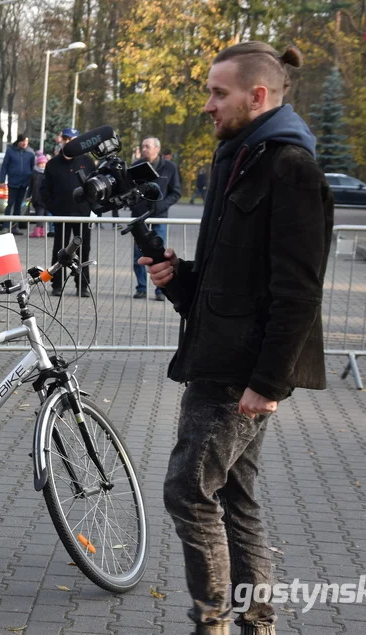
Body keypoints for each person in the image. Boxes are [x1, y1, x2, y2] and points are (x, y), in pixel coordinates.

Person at [141, 41, 334, 635]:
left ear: (258, 96)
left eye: (218, 92)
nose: (207, 104)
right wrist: (182, 282)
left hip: (241, 372)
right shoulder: (239, 155)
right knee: (235, 499)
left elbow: (298, 291)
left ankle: (215, 624)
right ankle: (256, 623)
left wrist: (268, 381)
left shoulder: (291, 168)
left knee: (188, 493)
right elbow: (235, 278)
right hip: (220, 356)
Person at [41, 128, 95, 297]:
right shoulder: (53, 164)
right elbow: (44, 191)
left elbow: (95, 185)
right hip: (62, 215)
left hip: (82, 214)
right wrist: (55, 208)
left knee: (83, 250)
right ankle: (56, 284)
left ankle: (82, 286)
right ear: (61, 139)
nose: (68, 141)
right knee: (60, 250)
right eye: (66, 138)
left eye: (73, 139)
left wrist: (91, 206)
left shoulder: (86, 162)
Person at [131, 136, 182, 300]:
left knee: (159, 255)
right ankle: (141, 287)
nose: (144, 149)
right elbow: (128, 191)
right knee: (138, 255)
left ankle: (161, 289)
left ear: (157, 149)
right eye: (143, 146)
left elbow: (176, 192)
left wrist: (161, 205)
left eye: (147, 146)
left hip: (159, 217)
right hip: (140, 218)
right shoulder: (135, 166)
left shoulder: (170, 167)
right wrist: (135, 205)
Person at [0, 134, 36, 234]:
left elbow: (33, 168)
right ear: (18, 142)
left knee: (18, 206)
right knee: (10, 203)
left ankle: (15, 227)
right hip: (13, 182)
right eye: (23, 141)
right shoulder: (10, 151)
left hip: (24, 183)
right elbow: (5, 166)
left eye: (26, 142)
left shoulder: (30, 153)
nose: (25, 143)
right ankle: (5, 226)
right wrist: (2, 180)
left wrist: (32, 182)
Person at [28, 152, 49, 238]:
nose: (42, 165)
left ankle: (38, 230)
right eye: (41, 163)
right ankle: (41, 230)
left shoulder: (47, 173)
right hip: (36, 198)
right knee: (40, 214)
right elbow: (31, 185)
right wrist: (28, 195)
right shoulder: (34, 173)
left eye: (44, 163)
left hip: (44, 198)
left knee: (42, 214)